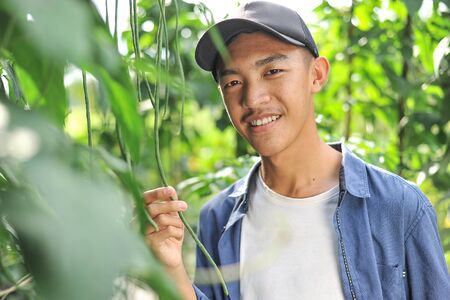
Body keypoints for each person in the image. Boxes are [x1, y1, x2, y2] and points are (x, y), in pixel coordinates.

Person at [143, 1, 450, 299]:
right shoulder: (218, 217)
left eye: (272, 71)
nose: (253, 98)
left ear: (316, 74)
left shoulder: (399, 206)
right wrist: (171, 269)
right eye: (234, 82)